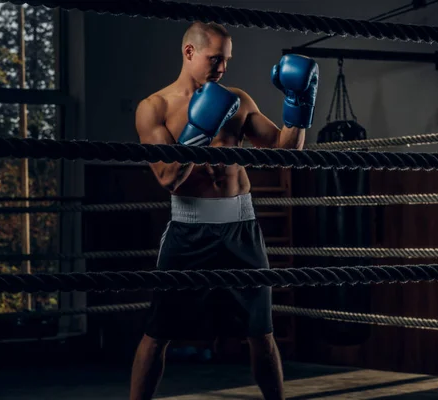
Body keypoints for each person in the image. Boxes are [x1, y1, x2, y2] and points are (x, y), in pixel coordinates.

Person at [130, 21, 318, 400]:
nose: (222, 68)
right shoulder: (154, 108)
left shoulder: (238, 99)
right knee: (157, 334)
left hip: (241, 228)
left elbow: (286, 153)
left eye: (226, 60)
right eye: (215, 59)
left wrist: (299, 105)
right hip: (189, 230)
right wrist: (199, 130)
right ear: (189, 53)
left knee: (261, 334)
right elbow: (168, 178)